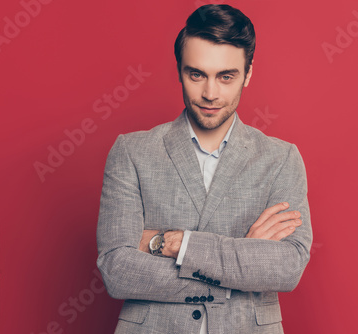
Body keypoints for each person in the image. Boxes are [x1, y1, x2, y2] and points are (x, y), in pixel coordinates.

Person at [96, 4, 312, 334]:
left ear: (248, 74)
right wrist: (241, 263)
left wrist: (173, 243)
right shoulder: (131, 151)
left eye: (226, 77)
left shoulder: (282, 159)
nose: (210, 94)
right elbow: (117, 270)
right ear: (179, 70)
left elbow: (288, 267)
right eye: (196, 74)